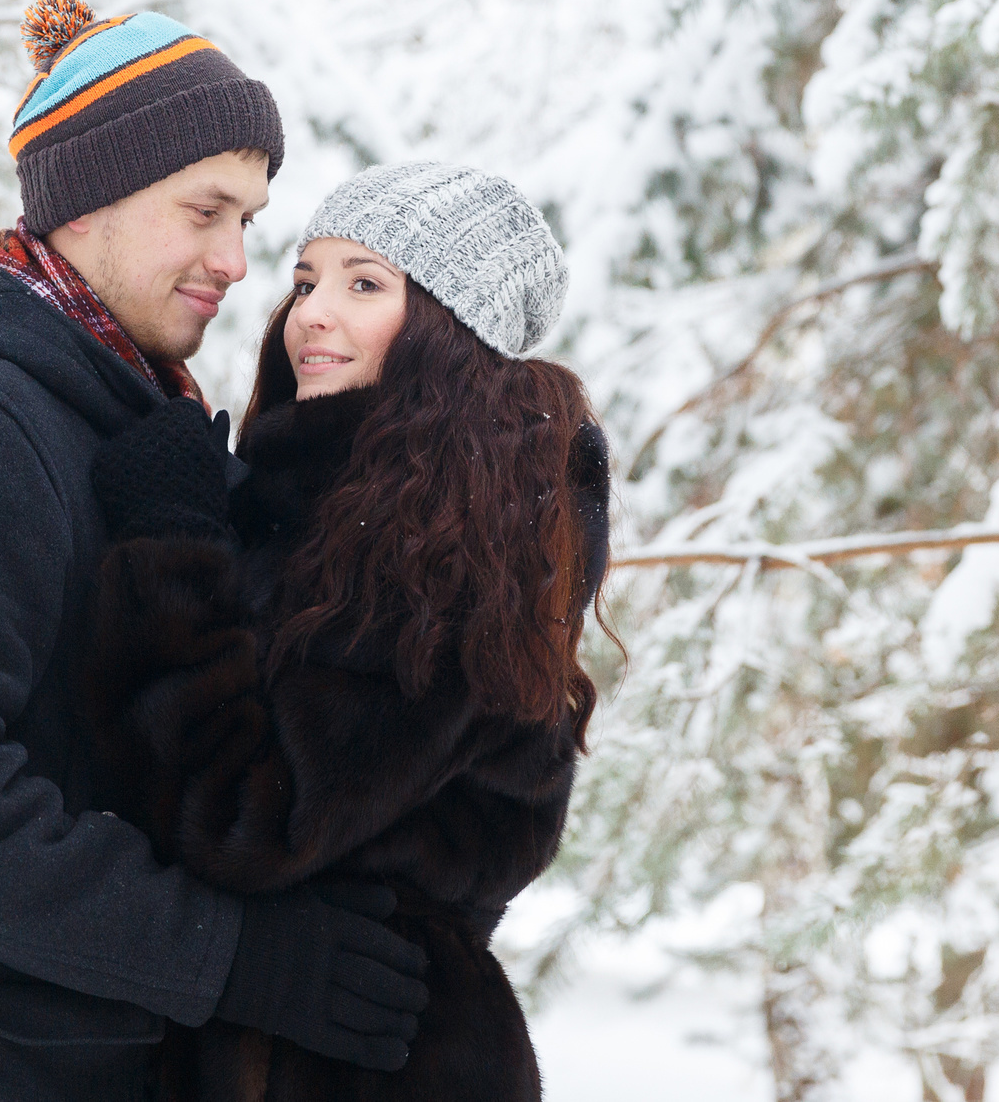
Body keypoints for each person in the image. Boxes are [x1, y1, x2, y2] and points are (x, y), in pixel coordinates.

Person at [0, 0, 430, 1102]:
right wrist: (230, 957)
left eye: (248, 220)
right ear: (91, 197)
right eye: (204, 211)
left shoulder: (114, 416)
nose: (234, 262)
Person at [83, 161, 613, 1102]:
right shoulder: (354, 506)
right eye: (305, 280)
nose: (309, 314)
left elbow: (249, 817)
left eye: (363, 283)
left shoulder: (450, 551)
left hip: (365, 1064)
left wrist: (169, 551)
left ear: (454, 328)